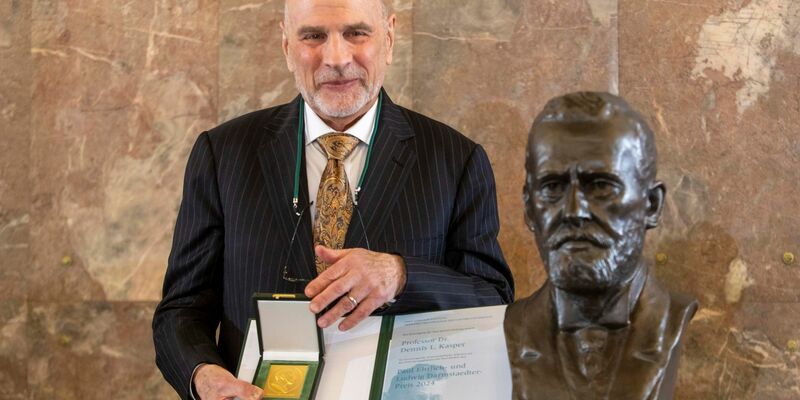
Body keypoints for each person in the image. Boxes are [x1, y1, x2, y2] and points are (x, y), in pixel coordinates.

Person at [152, 0, 514, 399]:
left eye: (356, 33)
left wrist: (400, 275)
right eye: (313, 36)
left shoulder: (456, 159)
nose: (337, 58)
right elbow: (180, 310)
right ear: (287, 46)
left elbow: (493, 300)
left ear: (389, 39)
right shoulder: (222, 154)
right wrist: (202, 376)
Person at [504, 92, 697, 400]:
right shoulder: (513, 329)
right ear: (529, 209)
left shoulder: (677, 322)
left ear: (651, 205)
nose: (574, 211)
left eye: (602, 186)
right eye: (552, 187)